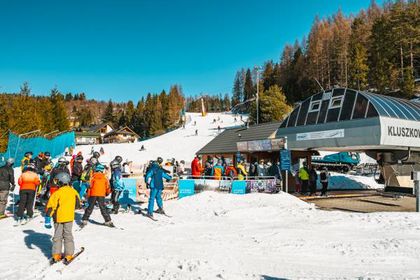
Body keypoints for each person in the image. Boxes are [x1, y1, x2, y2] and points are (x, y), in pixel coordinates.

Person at [45, 172, 81, 264]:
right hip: (69, 217)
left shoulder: (57, 193)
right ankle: (68, 254)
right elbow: (78, 204)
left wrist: (48, 218)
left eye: (57, 181)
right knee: (68, 235)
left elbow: (51, 206)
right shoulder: (73, 192)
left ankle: (56, 254)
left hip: (58, 218)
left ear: (61, 182)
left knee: (57, 236)